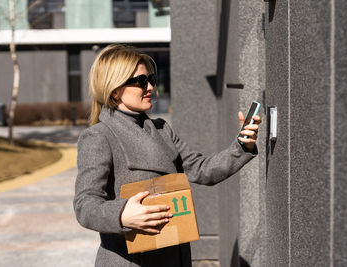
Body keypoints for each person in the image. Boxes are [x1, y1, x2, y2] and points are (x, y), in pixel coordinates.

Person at [73, 44, 261, 267]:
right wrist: (122, 214)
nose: (151, 87)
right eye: (141, 81)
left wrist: (241, 146)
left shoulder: (161, 129)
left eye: (151, 79)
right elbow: (85, 205)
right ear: (115, 90)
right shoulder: (99, 136)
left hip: (174, 254)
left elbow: (202, 170)